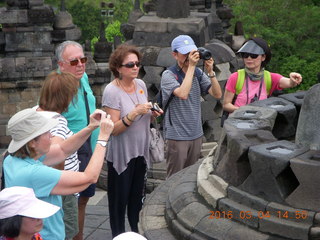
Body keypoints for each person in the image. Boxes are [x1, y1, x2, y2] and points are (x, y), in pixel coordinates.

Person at [3, 108, 114, 240]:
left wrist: (91, 127)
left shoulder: (11, 159)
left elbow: (62, 150)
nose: (51, 135)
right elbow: (90, 177)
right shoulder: (33, 174)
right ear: (32, 143)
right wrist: (103, 138)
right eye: (46, 132)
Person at [102, 44, 162, 238]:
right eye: (130, 65)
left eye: (137, 63)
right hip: (122, 156)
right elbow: (114, 130)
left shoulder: (141, 85)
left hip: (141, 153)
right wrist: (135, 113)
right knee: (119, 205)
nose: (135, 67)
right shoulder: (111, 91)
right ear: (118, 68)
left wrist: (152, 113)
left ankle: (136, 235)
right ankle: (118, 236)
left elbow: (145, 115)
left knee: (137, 202)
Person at [160, 35, 222, 178]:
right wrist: (192, 68)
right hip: (177, 135)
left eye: (191, 52)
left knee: (189, 178)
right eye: (185, 53)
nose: (189, 57)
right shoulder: (168, 75)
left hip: (196, 133)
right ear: (175, 55)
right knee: (174, 178)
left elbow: (217, 94)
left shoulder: (198, 73)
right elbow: (183, 93)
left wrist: (211, 72)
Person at [55, 40, 98, 240]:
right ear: (61, 64)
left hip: (89, 147)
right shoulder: (57, 87)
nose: (80, 64)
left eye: (83, 59)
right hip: (70, 152)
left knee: (84, 199)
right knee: (69, 202)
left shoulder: (83, 78)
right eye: (74, 61)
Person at [35, 71, 82, 239]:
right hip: (60, 188)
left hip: (39, 184)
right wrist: (61, 177)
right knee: (64, 231)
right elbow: (56, 153)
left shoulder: (34, 112)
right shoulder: (57, 121)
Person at [223, 37, 302, 114]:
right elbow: (226, 105)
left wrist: (293, 78)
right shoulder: (235, 77)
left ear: (263, 57)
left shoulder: (269, 77)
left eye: (254, 55)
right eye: (245, 55)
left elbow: (290, 83)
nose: (249, 58)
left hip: (260, 122)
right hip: (238, 122)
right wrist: (245, 111)